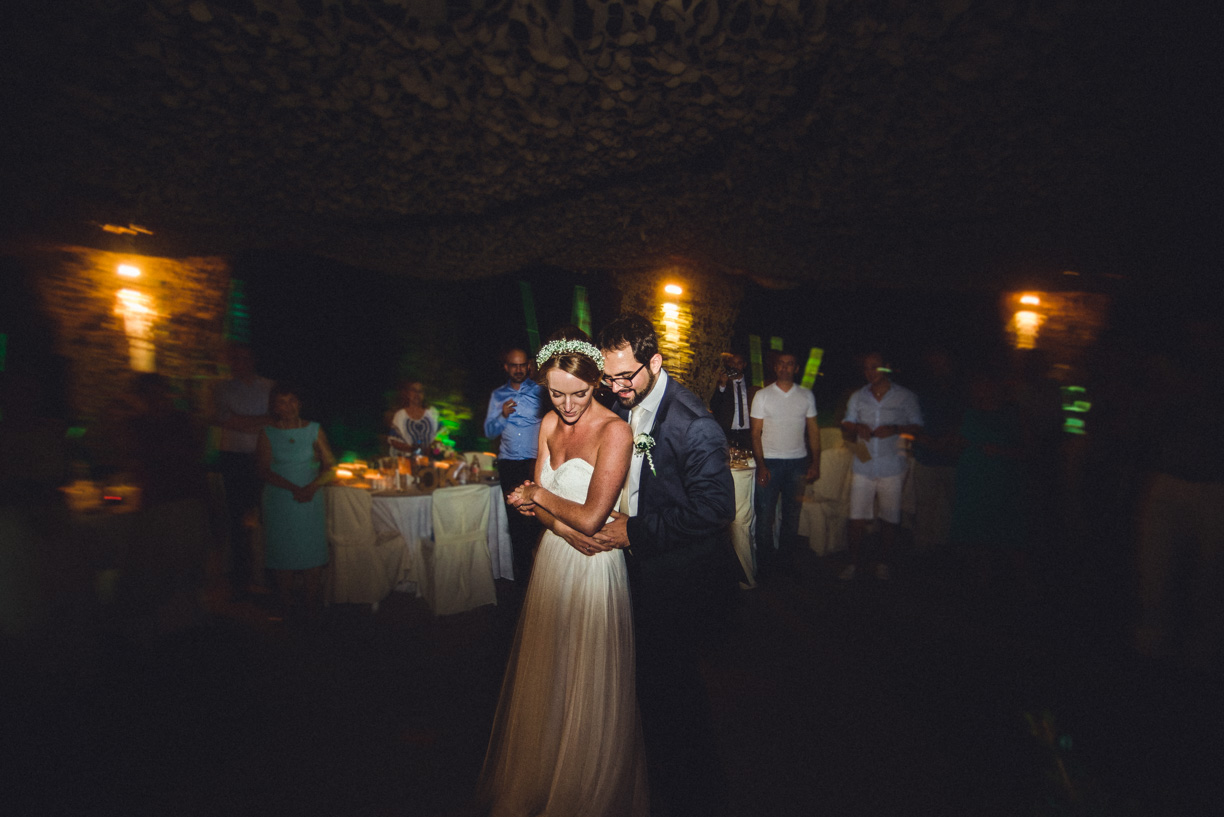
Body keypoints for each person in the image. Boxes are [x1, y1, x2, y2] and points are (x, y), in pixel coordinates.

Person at [479, 328, 647, 816]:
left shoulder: (615, 431)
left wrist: (537, 498)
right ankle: (545, 776)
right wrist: (554, 518)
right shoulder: (548, 424)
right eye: (556, 392)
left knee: (590, 678)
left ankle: (585, 789)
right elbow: (554, 516)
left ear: (596, 382)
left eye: (578, 392)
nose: (568, 404)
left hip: (596, 569)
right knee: (550, 677)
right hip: (555, 559)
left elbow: (594, 516)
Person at [590, 314, 738, 817]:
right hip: (641, 567)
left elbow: (716, 510)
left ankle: (692, 794)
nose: (615, 387)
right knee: (650, 680)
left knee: (674, 688)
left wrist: (634, 529)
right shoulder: (625, 400)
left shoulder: (692, 423)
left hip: (676, 574)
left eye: (625, 376)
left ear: (655, 362)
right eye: (608, 377)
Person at [255, 383, 336, 621]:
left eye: (292, 400)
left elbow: (331, 467)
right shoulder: (267, 433)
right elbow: (262, 470)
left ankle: (311, 604)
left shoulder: (314, 430)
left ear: (299, 403)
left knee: (311, 548)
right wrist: (293, 488)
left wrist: (312, 486)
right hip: (280, 499)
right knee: (283, 550)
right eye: (282, 401)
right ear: (275, 407)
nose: (288, 406)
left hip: (310, 498)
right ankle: (285, 604)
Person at [840, 352, 923, 580]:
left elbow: (917, 425)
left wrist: (895, 429)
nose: (870, 372)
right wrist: (857, 428)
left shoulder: (905, 396)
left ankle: (883, 562)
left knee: (889, 518)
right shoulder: (858, 396)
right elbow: (846, 420)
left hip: (891, 466)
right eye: (866, 368)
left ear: (886, 367)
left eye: (875, 367)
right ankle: (853, 564)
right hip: (863, 463)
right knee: (855, 517)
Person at [749, 350, 820, 581]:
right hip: (770, 462)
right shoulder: (762, 395)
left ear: (796, 368)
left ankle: (786, 564)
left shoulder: (806, 396)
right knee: (765, 516)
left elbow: (813, 431)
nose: (785, 367)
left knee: (791, 517)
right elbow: (756, 433)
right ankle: (766, 567)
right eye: (781, 363)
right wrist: (761, 465)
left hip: (798, 464)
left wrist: (815, 462)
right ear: (775, 367)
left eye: (790, 364)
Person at [212, 344, 272, 598]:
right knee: (237, 518)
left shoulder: (269, 387)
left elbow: (275, 418)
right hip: (234, 459)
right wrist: (258, 421)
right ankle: (240, 579)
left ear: (254, 359)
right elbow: (221, 419)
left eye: (245, 357)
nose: (240, 362)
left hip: (263, 457)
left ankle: (269, 577)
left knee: (267, 516)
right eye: (235, 358)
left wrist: (240, 421)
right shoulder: (220, 388)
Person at [483, 348, 544, 581]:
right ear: (506, 367)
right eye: (513, 365)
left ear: (528, 366)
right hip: (508, 463)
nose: (518, 369)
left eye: (522, 365)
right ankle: (522, 575)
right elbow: (490, 431)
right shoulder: (498, 395)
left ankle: (539, 568)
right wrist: (502, 415)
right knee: (515, 520)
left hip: (533, 462)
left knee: (536, 516)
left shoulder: (540, 392)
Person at [709, 351, 756, 451]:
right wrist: (722, 385)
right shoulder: (724, 382)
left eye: (739, 363)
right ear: (729, 364)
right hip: (728, 432)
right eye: (733, 363)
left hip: (747, 433)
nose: (735, 366)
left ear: (744, 365)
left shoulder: (750, 384)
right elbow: (714, 405)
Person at [387, 380, 438, 456]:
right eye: (414, 390)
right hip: (405, 461)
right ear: (408, 394)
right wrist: (413, 449)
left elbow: (438, 438)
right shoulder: (400, 415)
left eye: (420, 391)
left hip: (428, 461)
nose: (417, 394)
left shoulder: (432, 413)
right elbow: (393, 441)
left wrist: (434, 450)